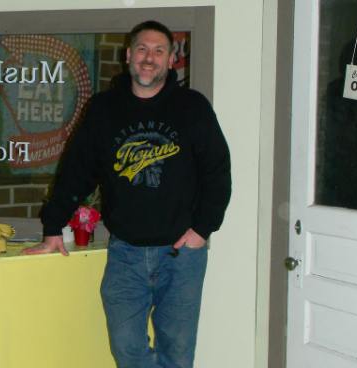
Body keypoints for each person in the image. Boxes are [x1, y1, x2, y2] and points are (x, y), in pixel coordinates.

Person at [22, 20, 231, 368]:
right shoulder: (105, 109)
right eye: (142, 49)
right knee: (127, 350)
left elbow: (217, 172)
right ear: (128, 55)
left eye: (159, 51)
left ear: (170, 60)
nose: (149, 58)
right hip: (126, 255)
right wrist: (53, 226)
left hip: (181, 256)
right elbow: (77, 172)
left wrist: (201, 231)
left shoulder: (192, 107)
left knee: (177, 355)